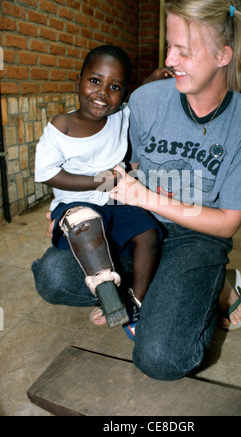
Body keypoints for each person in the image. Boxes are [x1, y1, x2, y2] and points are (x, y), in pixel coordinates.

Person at [32, 0, 241, 381]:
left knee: (159, 357)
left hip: (197, 237)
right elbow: (119, 163)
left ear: (223, 55)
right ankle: (161, 292)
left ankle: (212, 288)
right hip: (138, 226)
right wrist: (72, 206)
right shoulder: (145, 101)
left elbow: (228, 222)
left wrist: (148, 197)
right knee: (52, 276)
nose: (169, 59)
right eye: (169, 45)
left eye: (184, 51)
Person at [34, 45, 163, 339]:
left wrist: (152, 80)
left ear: (123, 92)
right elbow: (47, 174)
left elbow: (133, 99)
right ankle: (105, 288)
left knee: (148, 232)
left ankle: (135, 303)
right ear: (77, 81)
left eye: (114, 87)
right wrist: (98, 181)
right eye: (95, 81)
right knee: (85, 221)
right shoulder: (61, 126)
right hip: (74, 204)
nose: (103, 93)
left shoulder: (120, 115)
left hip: (113, 200)